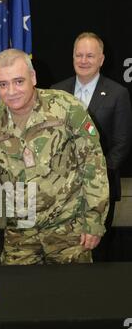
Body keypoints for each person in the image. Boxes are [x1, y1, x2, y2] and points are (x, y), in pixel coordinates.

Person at [0, 48, 109, 269]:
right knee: (19, 299)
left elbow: (93, 163)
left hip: (69, 232)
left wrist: (94, 220)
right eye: (3, 84)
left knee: (74, 297)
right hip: (20, 237)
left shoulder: (66, 108)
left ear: (33, 78)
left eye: (19, 81)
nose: (11, 91)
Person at [52, 32, 132, 229]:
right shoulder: (56, 91)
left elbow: (122, 143)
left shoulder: (117, 93)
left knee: (97, 248)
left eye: (90, 56)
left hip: (101, 187)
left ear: (101, 59)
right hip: (62, 188)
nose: (83, 60)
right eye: (79, 55)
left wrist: (97, 173)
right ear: (73, 57)